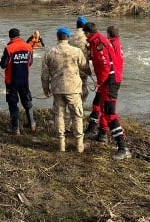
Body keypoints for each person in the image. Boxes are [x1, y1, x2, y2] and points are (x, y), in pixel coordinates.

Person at [83, 22, 131, 159]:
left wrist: (100, 82)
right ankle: (102, 133)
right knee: (103, 108)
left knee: (110, 113)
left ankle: (123, 148)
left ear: (86, 33)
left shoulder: (99, 42)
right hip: (111, 78)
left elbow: (105, 63)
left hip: (110, 80)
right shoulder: (102, 41)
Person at [41, 27, 90, 153]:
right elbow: (84, 67)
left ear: (57, 37)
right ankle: (79, 145)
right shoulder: (76, 51)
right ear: (68, 38)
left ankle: (61, 145)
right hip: (73, 88)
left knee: (59, 116)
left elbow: (44, 74)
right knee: (77, 115)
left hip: (57, 89)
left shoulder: (49, 52)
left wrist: (46, 88)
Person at [0, 28, 36, 135]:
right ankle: (32, 124)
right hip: (24, 80)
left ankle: (15, 128)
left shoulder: (9, 48)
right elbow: (30, 62)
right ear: (19, 35)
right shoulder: (28, 47)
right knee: (27, 102)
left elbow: (3, 64)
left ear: (10, 37)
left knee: (12, 103)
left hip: (12, 81)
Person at [69, 16, 91, 104]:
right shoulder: (87, 38)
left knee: (73, 87)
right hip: (83, 67)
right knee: (83, 86)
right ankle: (80, 106)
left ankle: (74, 105)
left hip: (71, 67)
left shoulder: (70, 37)